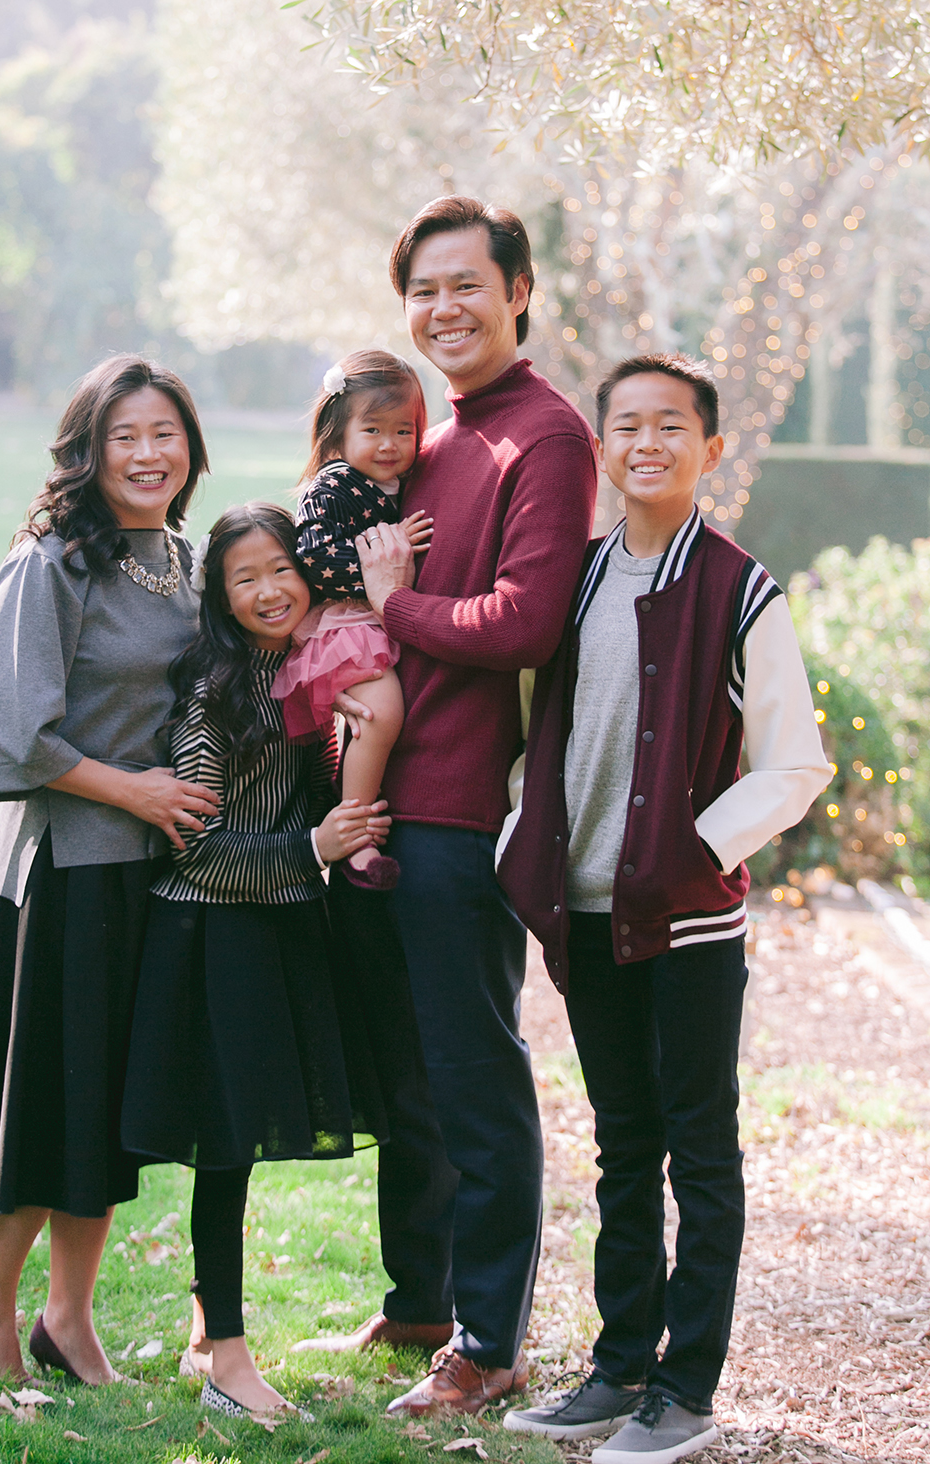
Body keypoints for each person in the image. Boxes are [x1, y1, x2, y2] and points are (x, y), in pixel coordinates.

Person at [499, 354, 832, 1462]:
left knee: (698, 1150)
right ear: (599, 447)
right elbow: (536, 729)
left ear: (710, 450)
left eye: (670, 426)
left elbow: (792, 766)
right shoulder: (579, 578)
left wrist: (688, 851)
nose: (646, 443)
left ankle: (683, 1391)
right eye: (626, 425)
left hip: (685, 922)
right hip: (583, 912)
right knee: (619, 1145)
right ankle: (616, 1369)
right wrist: (519, 834)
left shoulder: (740, 587)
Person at [297, 197, 598, 1417]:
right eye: (421, 292)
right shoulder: (421, 444)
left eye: (465, 286)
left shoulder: (547, 439)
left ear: (518, 289)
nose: (442, 311)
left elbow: (524, 619)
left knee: (470, 1071)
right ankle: (419, 1300)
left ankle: (489, 1340)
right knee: (402, 1077)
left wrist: (399, 609)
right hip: (369, 812)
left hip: (461, 812)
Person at [0, 354, 219, 1385]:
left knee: (106, 1106)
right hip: (61, 875)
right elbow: (16, 735)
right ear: (87, 451)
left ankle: (69, 1318)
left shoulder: (183, 561)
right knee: (48, 1103)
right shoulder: (51, 562)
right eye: (125, 438)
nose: (147, 455)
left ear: (189, 447)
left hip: (149, 875)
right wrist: (141, 793)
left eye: (164, 435)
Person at [120, 503, 401, 1421]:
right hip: (213, 936)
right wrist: (312, 847)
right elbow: (193, 846)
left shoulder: (305, 669)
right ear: (220, 597)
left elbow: (315, 790)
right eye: (245, 578)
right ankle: (230, 1367)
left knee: (235, 1138)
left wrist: (349, 752)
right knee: (226, 1147)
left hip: (276, 929)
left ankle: (210, 1325)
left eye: (281, 568)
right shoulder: (215, 690)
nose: (269, 589)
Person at [272, 349, 432, 888]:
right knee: (380, 714)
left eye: (403, 431)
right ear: (338, 437)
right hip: (347, 622)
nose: (390, 445)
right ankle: (356, 836)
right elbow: (314, 558)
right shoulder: (334, 485)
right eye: (373, 430)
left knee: (363, 725)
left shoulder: (400, 485)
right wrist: (383, 576)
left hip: (377, 617)